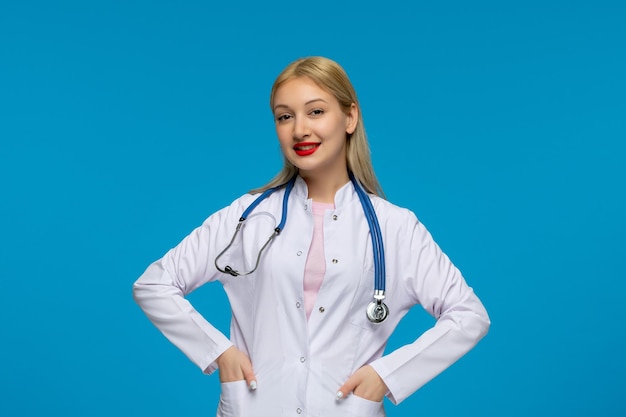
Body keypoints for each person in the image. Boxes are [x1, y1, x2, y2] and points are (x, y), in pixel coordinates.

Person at [133, 56, 490, 417]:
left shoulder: (395, 227)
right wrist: (218, 353)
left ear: (350, 117)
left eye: (315, 112)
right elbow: (154, 285)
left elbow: (468, 315)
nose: (299, 129)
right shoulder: (249, 215)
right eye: (285, 116)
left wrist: (386, 376)